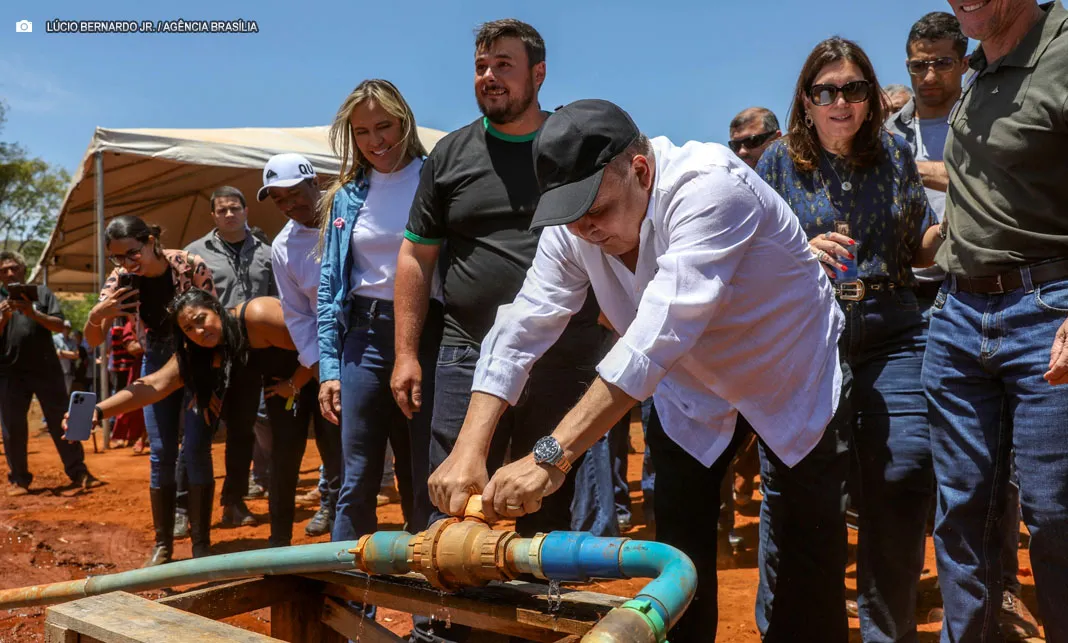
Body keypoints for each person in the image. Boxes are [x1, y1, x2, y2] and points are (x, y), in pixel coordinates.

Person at [432, 98, 852, 642]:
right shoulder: (575, 223)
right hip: (689, 391)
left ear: (641, 169)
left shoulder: (711, 188)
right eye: (571, 215)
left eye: (597, 210)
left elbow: (654, 338)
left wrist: (551, 456)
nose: (585, 228)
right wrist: (470, 448)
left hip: (786, 370)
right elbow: (522, 325)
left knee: (807, 551)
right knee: (677, 551)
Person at [756, 37, 941, 643]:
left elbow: (917, 248)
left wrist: (967, 217)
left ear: (870, 99)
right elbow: (748, 258)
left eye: (854, 89)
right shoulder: (777, 163)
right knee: (813, 492)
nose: (841, 100)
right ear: (806, 101)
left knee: (905, 472)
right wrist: (800, 252)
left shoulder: (893, 154)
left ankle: (888, 631)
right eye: (827, 90)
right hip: (809, 337)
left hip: (893, 328)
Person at [923, 0, 1068, 640]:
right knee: (962, 511)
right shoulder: (979, 65)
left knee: (1056, 513)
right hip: (957, 315)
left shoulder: (1062, 53)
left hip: (1049, 308)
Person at [72, 292, 321, 548]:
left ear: (217, 308)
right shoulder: (200, 350)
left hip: (321, 374)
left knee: (337, 459)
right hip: (283, 386)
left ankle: (346, 546)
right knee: (283, 462)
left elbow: (318, 342)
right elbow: (154, 385)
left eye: (201, 319)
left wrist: (296, 383)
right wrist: (97, 411)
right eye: (189, 328)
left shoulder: (257, 316)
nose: (199, 331)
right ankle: (280, 548)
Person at [316, 78, 443, 543]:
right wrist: (330, 368)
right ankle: (346, 601)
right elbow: (331, 285)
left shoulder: (436, 178)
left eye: (384, 126)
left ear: (404, 122)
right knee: (357, 477)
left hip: (429, 335)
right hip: (363, 338)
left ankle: (429, 613)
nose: (375, 141)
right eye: (362, 132)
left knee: (424, 477)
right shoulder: (345, 195)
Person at [83, 215, 217, 565]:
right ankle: (163, 546)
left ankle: (201, 544)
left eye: (132, 253)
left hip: (197, 355)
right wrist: (99, 314)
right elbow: (93, 339)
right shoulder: (120, 281)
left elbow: (214, 323)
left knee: (197, 447)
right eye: (117, 258)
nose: (127, 264)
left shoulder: (189, 266)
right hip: (155, 356)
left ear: (151, 240)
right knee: (160, 452)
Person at [259, 153, 343, 538]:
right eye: (279, 199)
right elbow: (297, 314)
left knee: (352, 447)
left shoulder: (349, 215)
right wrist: (323, 367)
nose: (289, 205)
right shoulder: (283, 247)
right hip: (322, 357)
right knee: (330, 438)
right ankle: (330, 508)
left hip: (370, 346)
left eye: (294, 193)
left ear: (316, 183)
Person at [183, 186, 275, 528]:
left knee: (241, 432)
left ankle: (233, 503)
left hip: (251, 355)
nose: (228, 215)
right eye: (221, 210)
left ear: (246, 210)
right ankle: (185, 509)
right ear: (213, 216)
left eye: (234, 208)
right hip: (206, 355)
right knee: (197, 433)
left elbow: (277, 302)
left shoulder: (268, 253)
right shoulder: (194, 254)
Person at [0, 250, 96, 496]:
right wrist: (4, 316)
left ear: (23, 269)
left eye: (14, 268)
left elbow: (60, 326)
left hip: (46, 368)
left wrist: (33, 313)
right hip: (9, 371)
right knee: (13, 426)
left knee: (61, 420)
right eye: (4, 270)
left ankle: (79, 472)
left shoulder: (41, 293)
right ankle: (18, 479)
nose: (10, 273)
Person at [107, 318, 146, 450]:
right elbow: (131, 347)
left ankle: (141, 437)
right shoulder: (128, 323)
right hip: (128, 369)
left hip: (142, 367)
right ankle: (124, 436)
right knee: (127, 403)